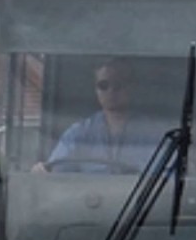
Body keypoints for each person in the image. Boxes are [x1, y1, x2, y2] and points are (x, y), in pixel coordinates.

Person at [32, 57, 160, 173]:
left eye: (118, 84)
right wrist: (42, 172)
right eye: (103, 85)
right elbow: (56, 173)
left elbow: (163, 177)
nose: (111, 91)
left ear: (132, 87)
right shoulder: (79, 133)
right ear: (96, 90)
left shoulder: (153, 134)